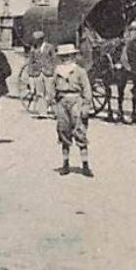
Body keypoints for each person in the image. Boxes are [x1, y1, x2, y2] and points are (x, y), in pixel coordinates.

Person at [52, 42, 94, 176]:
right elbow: (52, 89)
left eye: (68, 56)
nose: (66, 59)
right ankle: (65, 164)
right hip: (62, 101)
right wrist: (53, 104)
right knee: (63, 131)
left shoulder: (80, 71)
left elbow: (87, 89)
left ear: (73, 56)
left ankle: (85, 165)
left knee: (80, 132)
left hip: (76, 101)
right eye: (63, 57)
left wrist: (86, 106)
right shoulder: (57, 71)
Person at [27, 30, 56, 118]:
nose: (35, 41)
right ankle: (42, 113)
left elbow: (54, 59)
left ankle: (52, 109)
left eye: (37, 39)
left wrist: (52, 69)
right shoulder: (33, 49)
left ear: (41, 39)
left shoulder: (49, 47)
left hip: (48, 73)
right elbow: (31, 62)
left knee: (50, 93)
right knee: (40, 93)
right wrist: (31, 74)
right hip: (38, 73)